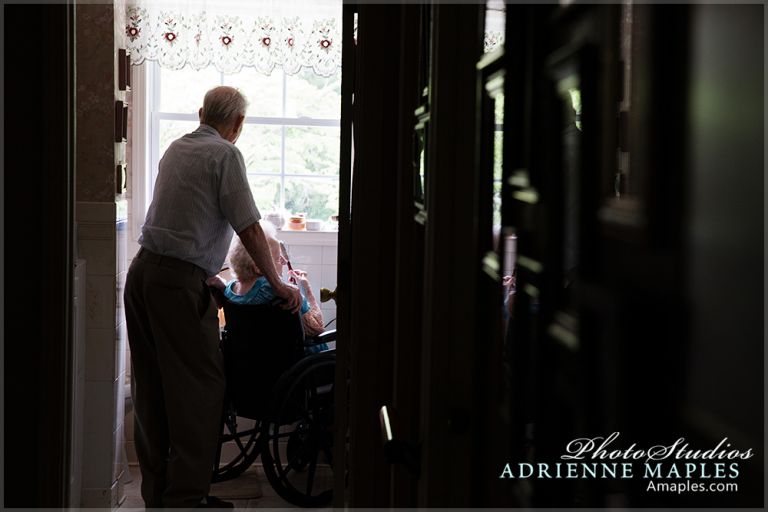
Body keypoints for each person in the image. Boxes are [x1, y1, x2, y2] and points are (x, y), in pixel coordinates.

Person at [124, 86, 301, 509]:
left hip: (142, 274)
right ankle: (186, 500)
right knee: (200, 391)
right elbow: (250, 228)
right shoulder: (225, 155)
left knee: (152, 392)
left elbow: (184, 218)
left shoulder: (175, 149)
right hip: (177, 286)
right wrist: (279, 284)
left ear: (201, 113)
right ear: (237, 124)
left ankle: (159, 497)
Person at [213, 220, 325, 338]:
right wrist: (306, 288)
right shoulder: (286, 294)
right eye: (277, 258)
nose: (283, 261)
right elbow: (317, 328)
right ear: (258, 267)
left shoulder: (230, 291)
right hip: (295, 356)